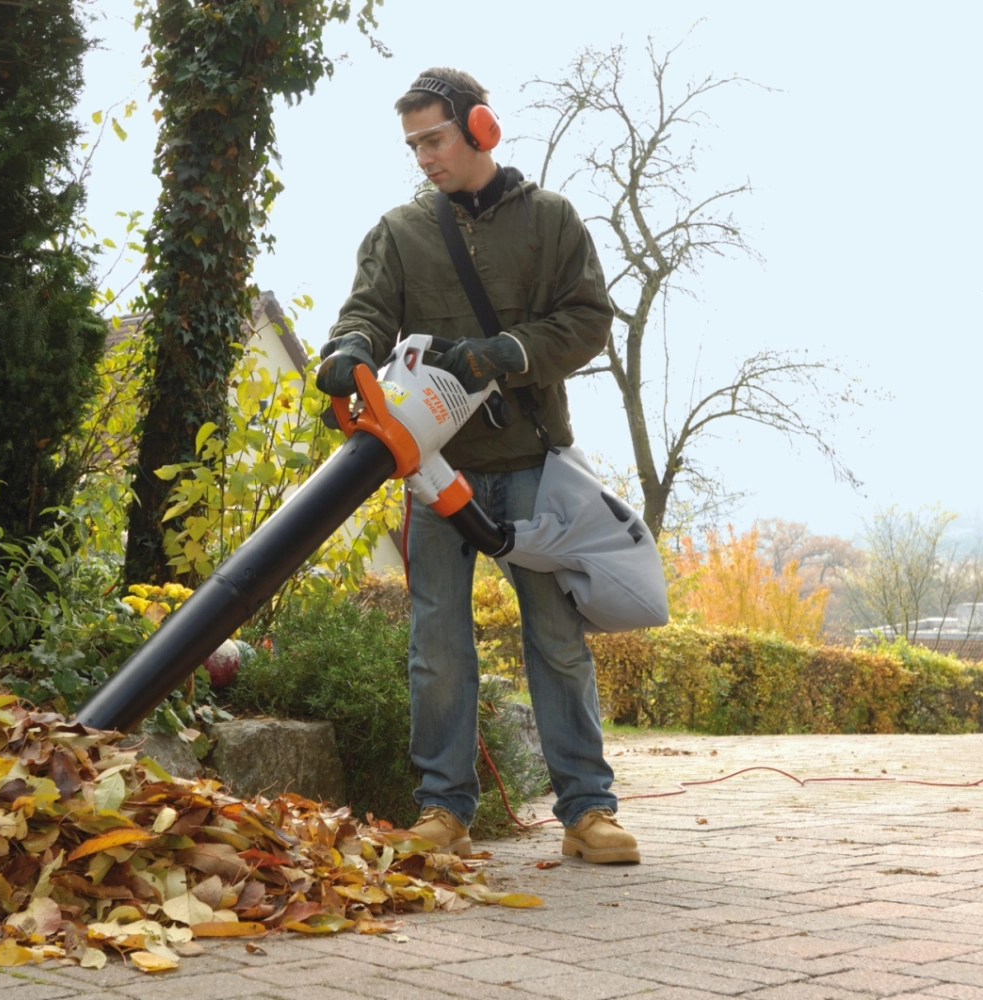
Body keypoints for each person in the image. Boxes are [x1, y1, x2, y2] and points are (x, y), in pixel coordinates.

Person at [314, 68, 639, 864]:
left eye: (434, 139)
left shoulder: (552, 222)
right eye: (412, 145)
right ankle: (443, 812)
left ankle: (587, 812)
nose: (423, 156)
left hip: (531, 463)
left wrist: (502, 353)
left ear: (480, 129)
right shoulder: (399, 232)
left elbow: (588, 319)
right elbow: (365, 311)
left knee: (557, 639)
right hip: (434, 466)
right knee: (438, 646)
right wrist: (347, 349)